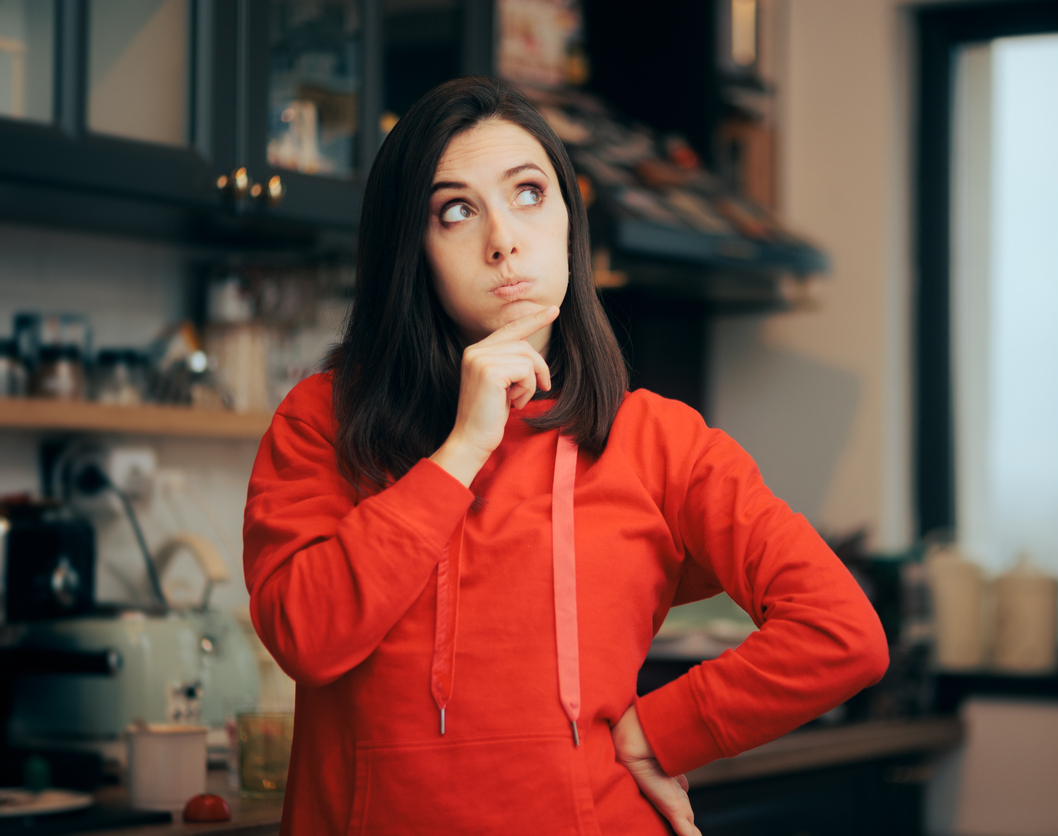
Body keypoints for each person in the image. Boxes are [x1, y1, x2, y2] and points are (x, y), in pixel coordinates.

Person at [243, 76, 888, 836]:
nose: (503, 239)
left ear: (569, 222)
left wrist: (661, 734)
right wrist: (463, 448)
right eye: (456, 211)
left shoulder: (659, 441)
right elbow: (307, 640)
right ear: (409, 250)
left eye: (528, 194)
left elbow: (842, 633)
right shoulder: (323, 419)